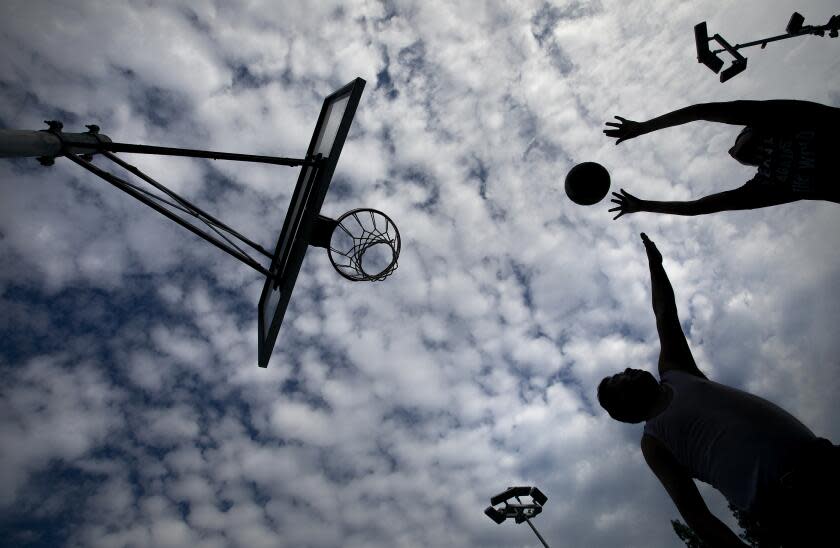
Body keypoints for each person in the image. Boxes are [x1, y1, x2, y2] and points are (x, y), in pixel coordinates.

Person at [597, 233, 837, 547]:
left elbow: (665, 313)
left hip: (823, 460)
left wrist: (656, 266)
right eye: (621, 378)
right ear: (623, 407)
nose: (628, 370)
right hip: (789, 507)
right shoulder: (654, 443)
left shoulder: (675, 372)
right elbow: (695, 514)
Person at [603, 100, 840, 219]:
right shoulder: (766, 185)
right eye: (744, 157)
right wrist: (644, 205)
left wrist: (644, 127)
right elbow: (699, 208)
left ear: (752, 131)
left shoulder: (776, 118)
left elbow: (699, 112)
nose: (740, 155)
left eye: (742, 148)